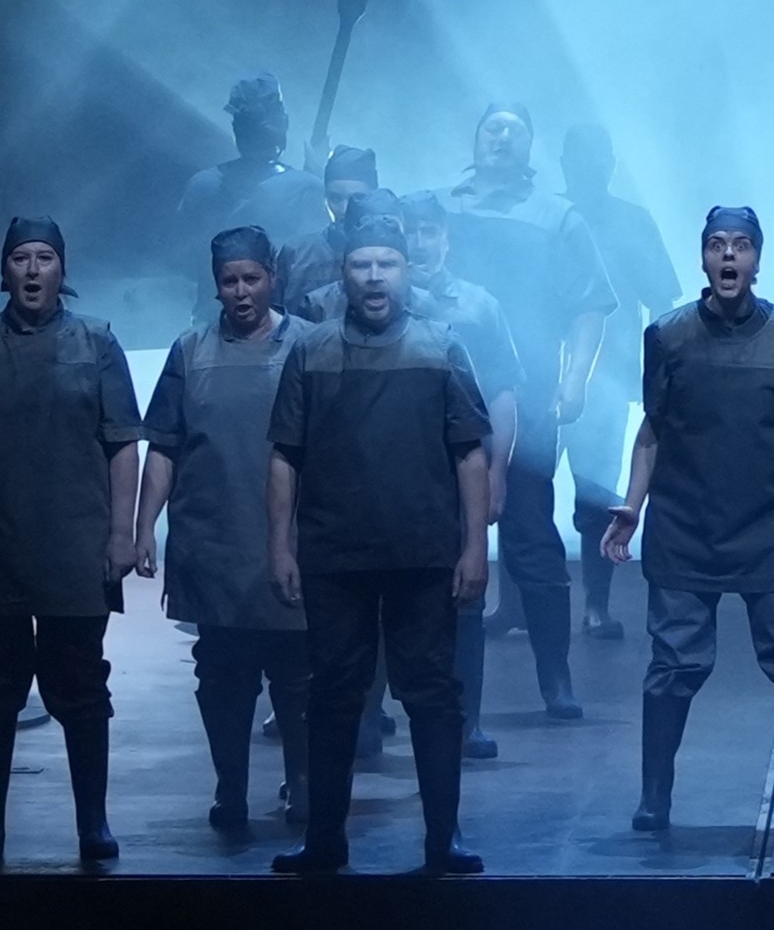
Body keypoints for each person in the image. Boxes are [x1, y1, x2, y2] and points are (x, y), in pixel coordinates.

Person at [603, 205, 774, 833]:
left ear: (757, 259)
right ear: (704, 258)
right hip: (688, 525)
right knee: (674, 664)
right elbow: (653, 430)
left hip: (772, 525)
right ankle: (655, 797)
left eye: (741, 245)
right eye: (717, 245)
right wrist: (632, 506)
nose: (729, 255)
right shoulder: (668, 335)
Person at [268, 211, 496, 876]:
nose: (374, 277)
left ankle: (443, 837)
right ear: (343, 271)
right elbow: (284, 454)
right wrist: (280, 545)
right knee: (333, 694)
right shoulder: (310, 350)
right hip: (334, 554)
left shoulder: (441, 346)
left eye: (386, 264)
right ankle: (324, 839)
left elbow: (469, 453)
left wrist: (474, 546)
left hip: (422, 554)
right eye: (362, 264)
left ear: (406, 270)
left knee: (431, 694)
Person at [0, 218, 140, 867]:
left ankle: (93, 822)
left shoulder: (96, 342)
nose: (31, 269)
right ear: (3, 271)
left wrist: (121, 533)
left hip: (75, 544)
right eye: (20, 257)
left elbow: (122, 443)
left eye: (44, 257)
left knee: (81, 685)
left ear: (61, 269)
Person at [442, 103, 612, 720]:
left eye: (516, 130)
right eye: (493, 127)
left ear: (531, 146)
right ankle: (436, 693)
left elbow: (590, 305)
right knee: (434, 540)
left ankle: (555, 679)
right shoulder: (438, 209)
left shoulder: (556, 217)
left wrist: (576, 380)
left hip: (529, 395)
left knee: (532, 534)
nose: (503, 137)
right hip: (442, 398)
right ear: (475, 139)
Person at [135, 224, 307, 834]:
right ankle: (230, 785)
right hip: (212, 541)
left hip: (292, 542)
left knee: (297, 675)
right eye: (229, 281)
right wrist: (143, 527)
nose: (241, 291)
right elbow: (165, 446)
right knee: (222, 678)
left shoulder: (307, 345)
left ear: (272, 278)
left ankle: (303, 782)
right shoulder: (191, 352)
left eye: (251, 278)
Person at [395, 191, 523, 763]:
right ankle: (369, 718)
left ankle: (467, 720)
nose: (419, 242)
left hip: (455, 476)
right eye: (409, 231)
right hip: (387, 476)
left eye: (429, 230)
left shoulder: (477, 306)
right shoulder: (371, 303)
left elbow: (502, 393)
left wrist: (497, 471)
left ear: (446, 236)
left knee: (465, 597)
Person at [561, 122, 677, 643]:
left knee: (595, 490)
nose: (587, 167)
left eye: (595, 158)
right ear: (564, 163)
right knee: (523, 490)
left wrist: (656, 376)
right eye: (578, 157)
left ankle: (595, 605)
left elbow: (661, 304)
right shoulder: (549, 215)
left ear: (609, 165)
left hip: (606, 378)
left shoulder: (632, 221)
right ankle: (515, 603)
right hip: (539, 372)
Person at [174, 75, 333, 323]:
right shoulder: (305, 188)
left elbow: (184, 257)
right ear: (282, 123)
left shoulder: (202, 184)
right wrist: (318, 177)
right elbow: (317, 265)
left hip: (217, 321)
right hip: (276, 326)